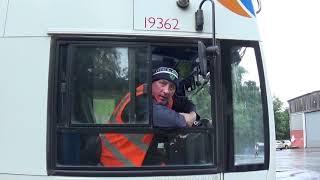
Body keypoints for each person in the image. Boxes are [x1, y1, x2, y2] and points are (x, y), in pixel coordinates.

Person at [100, 66, 198, 167]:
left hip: (136, 158)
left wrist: (193, 115)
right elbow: (179, 122)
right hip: (115, 166)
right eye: (162, 83)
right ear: (151, 84)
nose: (166, 91)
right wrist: (188, 118)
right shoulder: (139, 101)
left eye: (172, 87)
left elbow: (186, 104)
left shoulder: (162, 97)